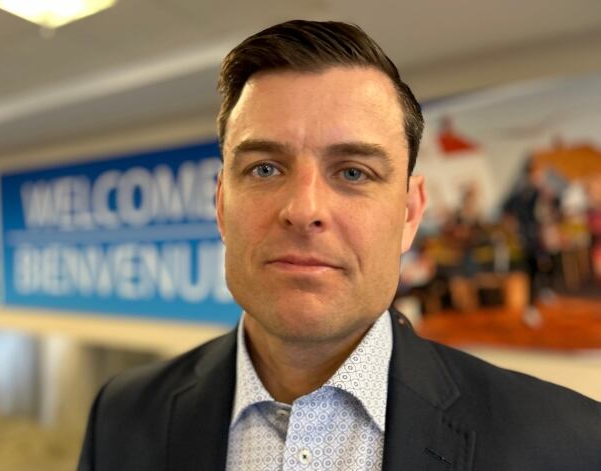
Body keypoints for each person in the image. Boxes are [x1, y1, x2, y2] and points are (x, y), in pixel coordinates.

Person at [78, 20, 601, 471]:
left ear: (410, 213)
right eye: (264, 168)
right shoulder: (122, 417)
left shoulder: (569, 444)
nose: (304, 210)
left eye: (353, 171)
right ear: (221, 205)